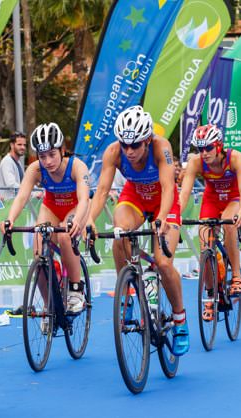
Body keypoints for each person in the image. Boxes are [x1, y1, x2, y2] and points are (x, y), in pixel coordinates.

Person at [86, 105, 189, 356]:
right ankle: (129, 292)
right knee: (120, 233)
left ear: (147, 140)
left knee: (163, 263)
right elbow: (101, 191)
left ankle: (180, 320)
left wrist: (163, 218)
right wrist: (89, 219)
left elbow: (167, 187)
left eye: (135, 146)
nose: (129, 151)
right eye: (125, 145)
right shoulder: (114, 152)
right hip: (135, 196)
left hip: (164, 200)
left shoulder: (161, 147)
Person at [3, 123, 90, 314]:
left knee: (65, 234)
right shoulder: (35, 169)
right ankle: (49, 306)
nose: (48, 161)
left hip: (75, 207)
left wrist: (77, 221)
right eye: (42, 156)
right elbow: (22, 196)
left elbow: (84, 199)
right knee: (39, 254)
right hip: (51, 207)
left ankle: (76, 289)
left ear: (62, 150)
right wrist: (10, 219)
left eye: (52, 154)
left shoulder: (77, 166)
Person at [178, 124, 241, 321]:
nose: (204, 153)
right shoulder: (196, 162)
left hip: (233, 198)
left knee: (228, 223)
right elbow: (184, 193)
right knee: (204, 247)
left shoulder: (236, 158)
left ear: (219, 146)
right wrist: (174, 214)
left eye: (208, 148)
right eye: (200, 149)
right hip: (211, 199)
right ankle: (210, 295)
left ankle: (236, 276)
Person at [0, 132, 27, 199]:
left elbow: (25, 182)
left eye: (24, 145)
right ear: (12, 145)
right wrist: (29, 190)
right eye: (19, 144)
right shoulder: (7, 161)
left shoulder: (18, 162)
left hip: (15, 204)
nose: (23, 147)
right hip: (7, 205)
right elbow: (11, 184)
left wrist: (36, 192)